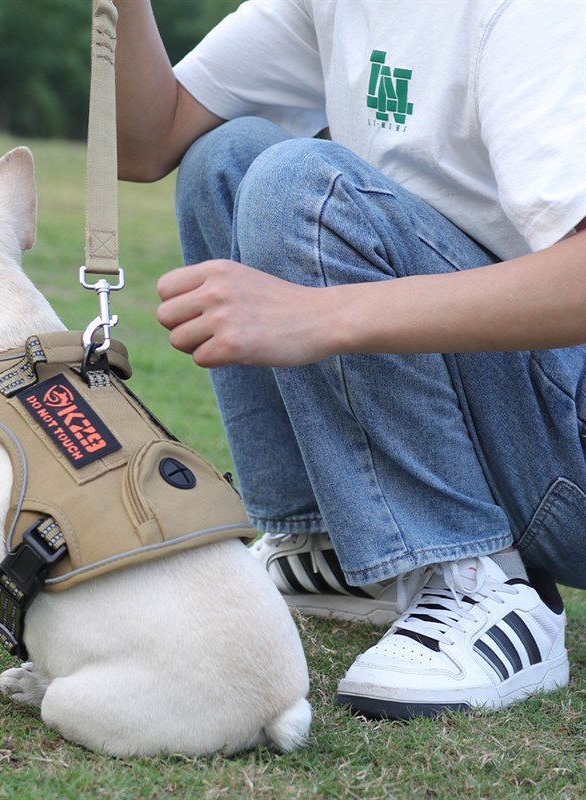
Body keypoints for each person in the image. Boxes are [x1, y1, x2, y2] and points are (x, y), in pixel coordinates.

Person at [110, 0, 586, 719]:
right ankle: (333, 549)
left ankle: (479, 580)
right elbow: (147, 141)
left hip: (570, 456)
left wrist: (321, 317)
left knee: (304, 186)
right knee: (222, 160)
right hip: (521, 416)